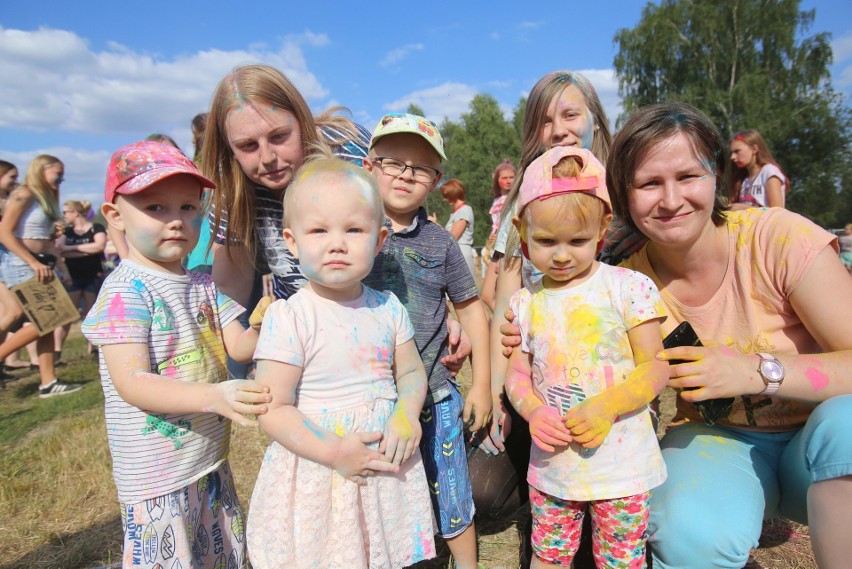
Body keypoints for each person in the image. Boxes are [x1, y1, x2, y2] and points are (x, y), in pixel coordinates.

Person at [532, 101, 852, 569]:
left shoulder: (779, 240)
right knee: (686, 536)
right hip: (717, 441)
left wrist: (753, 371)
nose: (670, 199)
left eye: (688, 176)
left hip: (818, 448)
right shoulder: (620, 284)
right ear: (623, 195)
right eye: (648, 184)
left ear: (716, 177)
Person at [202, 64, 470, 374]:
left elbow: (406, 237)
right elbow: (229, 290)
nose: (267, 158)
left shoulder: (350, 154)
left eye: (279, 136)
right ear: (228, 147)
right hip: (310, 341)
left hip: (378, 332)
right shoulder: (230, 193)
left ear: (301, 120)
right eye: (247, 146)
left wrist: (438, 315)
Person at [82, 140, 270, 568]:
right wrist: (215, 396)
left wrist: (269, 321)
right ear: (115, 217)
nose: (176, 221)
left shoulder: (203, 284)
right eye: (156, 208)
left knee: (219, 554)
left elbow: (239, 345)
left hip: (207, 459)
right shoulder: (125, 291)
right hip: (156, 477)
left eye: (187, 207)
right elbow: (133, 382)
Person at [246, 156, 436, 569]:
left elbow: (408, 371)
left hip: (383, 459)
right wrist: (334, 453)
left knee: (383, 550)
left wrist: (406, 412)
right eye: (319, 230)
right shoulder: (290, 316)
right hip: (321, 465)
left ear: (380, 240)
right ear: (292, 242)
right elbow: (273, 408)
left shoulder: (388, 308)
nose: (337, 243)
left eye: (354, 230)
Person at [472, 73, 613, 567]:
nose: (558, 129)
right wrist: (496, 395)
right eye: (544, 120)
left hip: (606, 385)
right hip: (537, 386)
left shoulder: (619, 193)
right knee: (483, 493)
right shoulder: (523, 197)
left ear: (596, 119)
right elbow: (502, 303)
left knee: (607, 515)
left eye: (570, 114)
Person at [503, 146, 668, 567]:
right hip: (555, 466)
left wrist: (609, 405)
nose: (561, 255)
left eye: (577, 240)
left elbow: (655, 367)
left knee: (621, 559)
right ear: (522, 231)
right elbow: (517, 375)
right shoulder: (525, 303)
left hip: (623, 465)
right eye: (545, 241)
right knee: (550, 556)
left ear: (602, 228)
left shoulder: (629, 287)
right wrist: (535, 412)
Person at [360, 113, 491, 569]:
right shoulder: (352, 234)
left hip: (435, 394)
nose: (405, 175)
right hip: (369, 398)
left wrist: (480, 386)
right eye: (393, 162)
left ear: (435, 181)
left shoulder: (441, 243)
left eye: (419, 168)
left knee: (450, 489)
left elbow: (471, 307)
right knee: (382, 494)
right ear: (369, 166)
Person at [0, 154, 79, 397]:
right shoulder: (24, 195)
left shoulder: (45, 198)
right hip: (23, 264)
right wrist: (33, 262)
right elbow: (4, 233)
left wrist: (52, 240)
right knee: (49, 319)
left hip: (43, 264)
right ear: (41, 171)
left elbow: (37, 235)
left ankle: (48, 383)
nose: (61, 178)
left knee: (49, 324)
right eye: (58, 173)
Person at [55, 200, 106, 355]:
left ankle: (93, 349)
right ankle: (57, 351)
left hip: (93, 277)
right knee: (67, 315)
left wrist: (71, 248)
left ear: (75, 213)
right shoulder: (67, 232)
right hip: (73, 278)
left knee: (91, 315)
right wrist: (86, 250)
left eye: (66, 212)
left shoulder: (96, 227)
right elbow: (59, 251)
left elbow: (99, 246)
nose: (64, 216)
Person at [481, 159, 516, 311]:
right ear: (497, 180)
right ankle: (505, 321)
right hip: (496, 248)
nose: (508, 181)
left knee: (502, 294)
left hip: (509, 248)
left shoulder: (516, 198)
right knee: (487, 295)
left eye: (511, 177)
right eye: (504, 178)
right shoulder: (497, 200)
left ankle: (510, 322)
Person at [728, 128, 789, 209]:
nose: (732, 157)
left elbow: (777, 212)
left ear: (754, 149)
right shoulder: (742, 180)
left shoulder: (769, 172)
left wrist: (743, 208)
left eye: (737, 151)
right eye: (731, 152)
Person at [440, 178, 476, 278]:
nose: (445, 199)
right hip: (456, 253)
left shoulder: (464, 210)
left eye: (446, 196)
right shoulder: (457, 212)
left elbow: (452, 237)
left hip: (461, 253)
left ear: (453, 194)